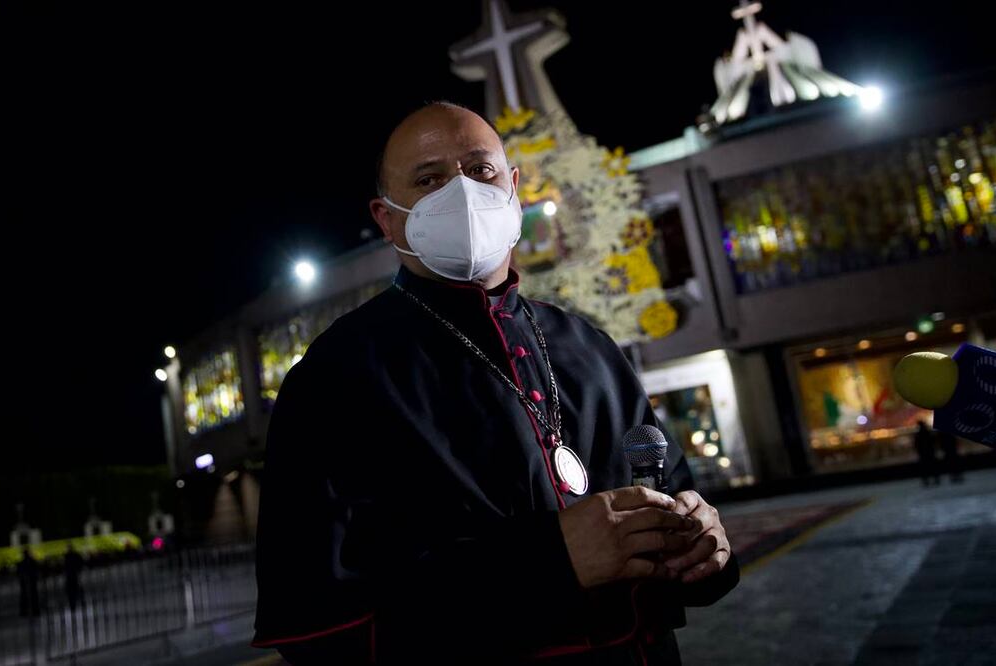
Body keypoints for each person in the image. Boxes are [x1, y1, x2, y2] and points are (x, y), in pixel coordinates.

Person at [253, 102, 739, 665]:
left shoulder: (591, 348)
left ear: (512, 187)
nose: (460, 191)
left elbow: (676, 501)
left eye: (479, 170)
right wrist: (552, 561)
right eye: (429, 179)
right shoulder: (334, 377)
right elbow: (314, 627)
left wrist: (704, 551)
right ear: (387, 219)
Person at [913, 420, 940, 486]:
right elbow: (934, 442)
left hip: (923, 454)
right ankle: (935, 479)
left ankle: (926, 481)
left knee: (925, 468)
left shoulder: (918, 435)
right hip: (930, 453)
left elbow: (916, 445)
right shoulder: (928, 433)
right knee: (932, 467)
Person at [16, 547, 40, 617]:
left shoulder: (22, 563)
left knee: (26, 597)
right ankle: (34, 611)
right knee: (33, 596)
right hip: (30, 582)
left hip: (26, 582)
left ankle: (26, 612)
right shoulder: (32, 561)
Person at [63, 543, 85, 612]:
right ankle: (79, 603)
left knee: (72, 591)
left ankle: (74, 605)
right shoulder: (73, 555)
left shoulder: (67, 556)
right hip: (73, 575)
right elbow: (80, 562)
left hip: (71, 575)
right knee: (76, 589)